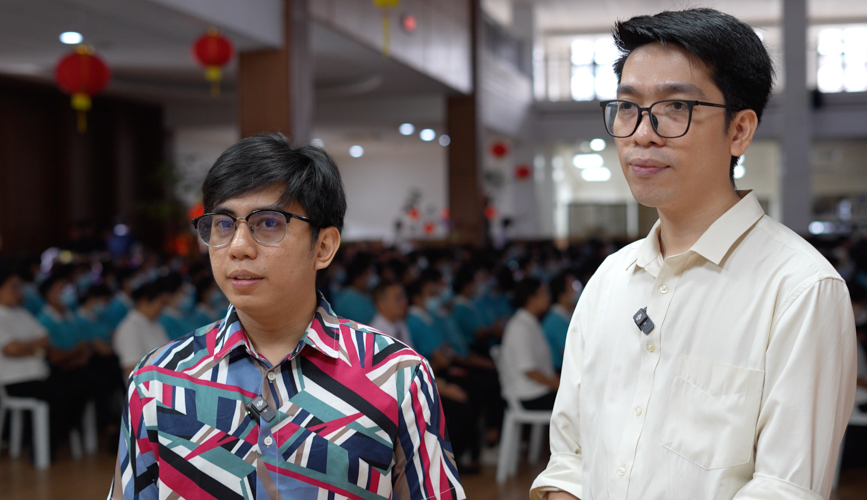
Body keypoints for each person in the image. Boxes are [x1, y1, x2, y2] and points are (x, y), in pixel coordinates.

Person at [531, 8, 856, 500]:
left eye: (675, 108)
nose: (642, 132)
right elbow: (571, 459)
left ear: (739, 131)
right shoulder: (609, 280)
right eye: (627, 107)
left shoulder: (800, 289)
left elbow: (783, 488)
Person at [108, 133, 465, 500]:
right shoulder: (158, 380)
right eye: (224, 224)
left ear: (323, 246)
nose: (239, 247)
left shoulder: (396, 376)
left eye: (268, 223)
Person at [499, 278, 558, 410]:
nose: (549, 297)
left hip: (537, 390)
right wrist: (556, 384)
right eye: (544, 294)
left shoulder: (530, 322)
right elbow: (529, 370)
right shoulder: (520, 327)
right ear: (531, 298)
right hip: (527, 394)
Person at [111, 281, 168, 377]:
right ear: (145, 301)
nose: (162, 309)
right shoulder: (129, 329)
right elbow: (131, 369)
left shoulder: (154, 323)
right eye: (161, 304)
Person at [541, 272, 579, 372]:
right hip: (559, 371)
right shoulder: (556, 321)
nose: (577, 291)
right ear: (562, 295)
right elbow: (571, 351)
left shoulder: (565, 314)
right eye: (572, 287)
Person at [369, 279, 413, 348]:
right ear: (381, 304)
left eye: (404, 297)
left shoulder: (400, 323)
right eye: (398, 299)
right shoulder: (375, 336)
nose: (404, 302)